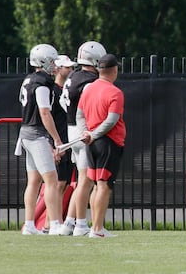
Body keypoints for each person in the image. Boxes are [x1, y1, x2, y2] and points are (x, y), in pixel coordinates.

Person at [16, 43, 65, 235]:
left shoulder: (29, 79)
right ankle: (54, 224)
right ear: (43, 62)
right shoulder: (42, 83)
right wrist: (57, 141)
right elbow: (45, 112)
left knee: (34, 181)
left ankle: (29, 224)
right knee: (51, 180)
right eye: (52, 61)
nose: (55, 65)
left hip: (26, 132)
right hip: (36, 134)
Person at [76, 53, 126, 238]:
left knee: (97, 185)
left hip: (92, 143)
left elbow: (79, 115)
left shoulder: (88, 89)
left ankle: (96, 227)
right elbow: (112, 120)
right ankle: (97, 229)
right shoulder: (115, 92)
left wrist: (86, 133)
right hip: (108, 143)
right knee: (104, 186)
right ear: (114, 70)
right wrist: (93, 134)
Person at [60, 41, 106, 237]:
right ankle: (80, 224)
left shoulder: (73, 76)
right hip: (83, 130)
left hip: (72, 129)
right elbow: (88, 108)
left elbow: (64, 103)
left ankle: (69, 223)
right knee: (86, 181)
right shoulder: (89, 81)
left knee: (81, 180)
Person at [44, 54, 77, 233]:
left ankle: (53, 221)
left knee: (62, 183)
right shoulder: (52, 90)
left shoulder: (66, 90)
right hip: (58, 143)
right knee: (56, 184)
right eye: (67, 67)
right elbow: (46, 118)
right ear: (57, 68)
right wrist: (53, 143)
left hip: (67, 141)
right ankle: (51, 223)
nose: (70, 70)